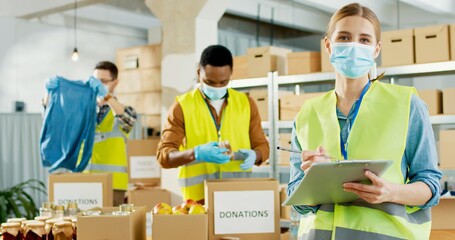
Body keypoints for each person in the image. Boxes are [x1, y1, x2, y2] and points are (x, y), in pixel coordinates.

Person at [287, 3, 442, 240]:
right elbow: (297, 201)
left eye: (364, 40)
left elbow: (430, 186)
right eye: (344, 37)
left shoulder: (408, 105)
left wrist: (390, 192)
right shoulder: (307, 114)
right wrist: (311, 182)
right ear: (328, 45)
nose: (353, 46)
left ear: (376, 49)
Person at [157, 45, 270, 204]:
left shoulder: (246, 103)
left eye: (223, 82)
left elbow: (263, 147)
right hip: (198, 202)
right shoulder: (182, 106)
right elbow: (163, 156)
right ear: (199, 73)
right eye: (210, 82)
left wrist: (255, 155)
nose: (217, 87)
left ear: (231, 73)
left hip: (239, 200)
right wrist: (196, 153)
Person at [44, 61, 137, 206]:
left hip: (114, 185)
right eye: (95, 81)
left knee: (111, 227)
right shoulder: (81, 110)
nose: (98, 85)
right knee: (83, 227)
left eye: (104, 81)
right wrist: (48, 96)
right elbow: (54, 121)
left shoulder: (125, 110)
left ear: (115, 83)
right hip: (83, 181)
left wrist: (106, 96)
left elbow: (126, 118)